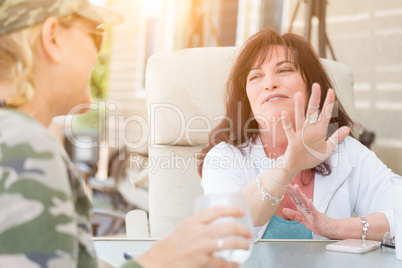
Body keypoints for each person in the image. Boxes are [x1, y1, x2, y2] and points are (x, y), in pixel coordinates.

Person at [0, 1, 252, 268]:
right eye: (97, 36)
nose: (99, 55)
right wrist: (159, 261)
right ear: (53, 38)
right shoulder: (25, 146)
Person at [198, 29, 396, 241]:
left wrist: (335, 228)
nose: (270, 83)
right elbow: (223, 228)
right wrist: (288, 166)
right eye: (256, 76)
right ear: (246, 99)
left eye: (284, 70)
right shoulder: (225, 156)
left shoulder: (345, 151)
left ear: (311, 86)